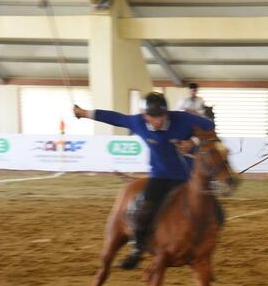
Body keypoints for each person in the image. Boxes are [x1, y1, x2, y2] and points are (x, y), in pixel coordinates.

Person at [73, 92, 215, 269]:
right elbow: (115, 118)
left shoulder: (183, 119)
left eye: (161, 116)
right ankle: (137, 249)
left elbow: (210, 125)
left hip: (186, 176)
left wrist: (192, 142)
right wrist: (85, 113)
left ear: (167, 113)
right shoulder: (138, 122)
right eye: (152, 117)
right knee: (145, 210)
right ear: (145, 115)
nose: (157, 121)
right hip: (159, 177)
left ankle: (205, 253)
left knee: (215, 211)